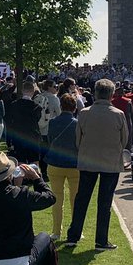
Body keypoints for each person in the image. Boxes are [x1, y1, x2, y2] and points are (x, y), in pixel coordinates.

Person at [64, 79, 129, 250]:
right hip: (110, 162)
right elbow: (124, 140)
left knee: (82, 199)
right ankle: (101, 240)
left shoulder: (84, 113)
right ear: (111, 94)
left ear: (96, 93)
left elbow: (78, 138)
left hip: (88, 161)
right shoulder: (118, 114)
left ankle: (73, 236)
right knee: (104, 202)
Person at [44, 93, 80, 241]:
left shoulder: (53, 122)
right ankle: (76, 230)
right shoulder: (78, 124)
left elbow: (50, 139)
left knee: (57, 199)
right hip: (74, 165)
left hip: (55, 163)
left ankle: (56, 232)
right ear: (75, 107)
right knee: (75, 200)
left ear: (60, 106)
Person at [4, 79, 44, 163]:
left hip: (18, 137)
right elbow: (38, 121)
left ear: (22, 91)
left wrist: (8, 141)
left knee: (20, 163)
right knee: (34, 162)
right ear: (33, 91)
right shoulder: (37, 108)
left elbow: (9, 124)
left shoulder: (13, 105)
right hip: (33, 137)